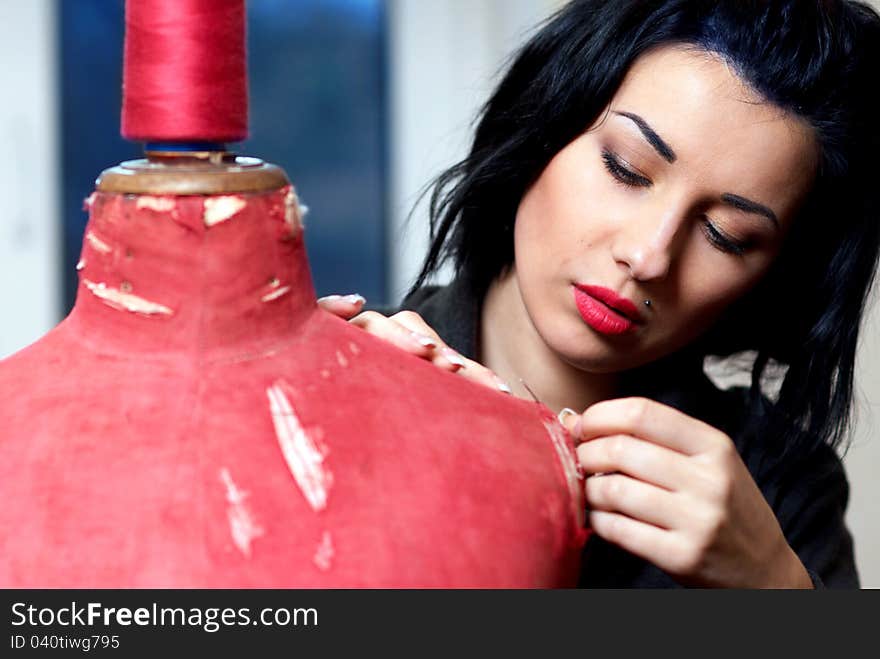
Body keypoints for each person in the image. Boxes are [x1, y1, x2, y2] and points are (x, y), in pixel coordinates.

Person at [319, 0, 880, 588]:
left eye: (726, 236)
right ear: (542, 126)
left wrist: (772, 585)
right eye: (626, 169)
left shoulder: (777, 492)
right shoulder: (340, 373)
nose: (647, 257)